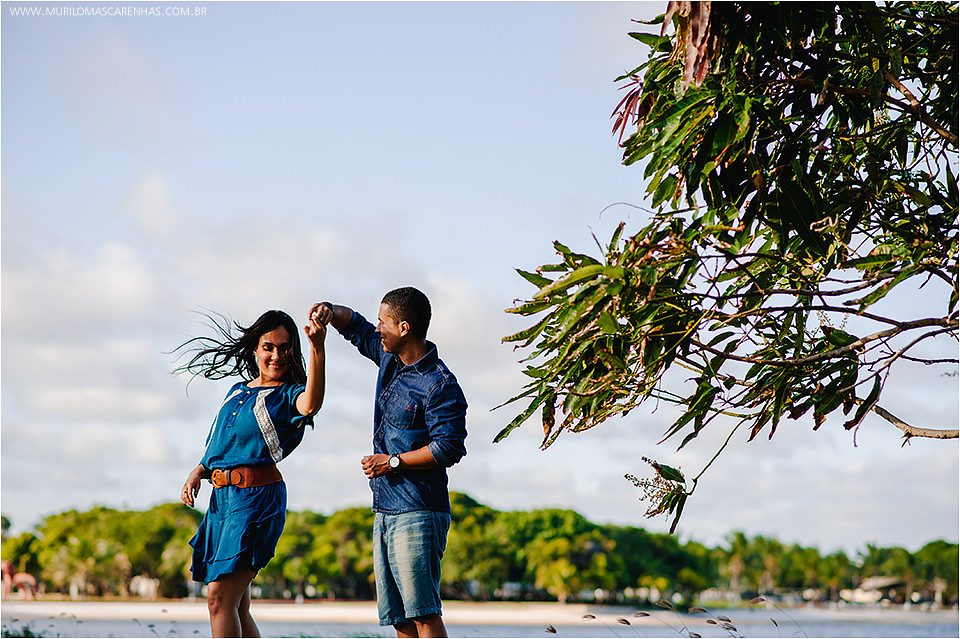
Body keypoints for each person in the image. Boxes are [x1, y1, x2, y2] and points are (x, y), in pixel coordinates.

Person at [313, 287, 467, 638]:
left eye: (384, 321)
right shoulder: (389, 358)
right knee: (400, 618)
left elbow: (449, 448)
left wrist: (392, 463)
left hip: (419, 510)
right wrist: (328, 310)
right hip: (385, 509)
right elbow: (356, 328)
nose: (377, 327)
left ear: (404, 328)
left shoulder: (440, 384)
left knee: (423, 613)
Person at [176, 307, 327, 638]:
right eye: (268, 347)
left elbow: (312, 403)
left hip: (257, 500)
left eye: (285, 348)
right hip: (222, 502)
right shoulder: (236, 391)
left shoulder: (289, 395)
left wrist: (318, 347)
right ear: (255, 349)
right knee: (237, 606)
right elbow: (221, 445)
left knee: (218, 599)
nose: (276, 355)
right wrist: (198, 471)